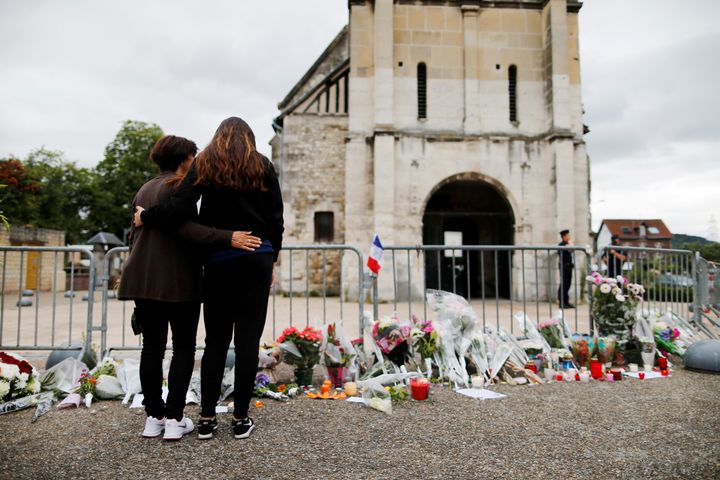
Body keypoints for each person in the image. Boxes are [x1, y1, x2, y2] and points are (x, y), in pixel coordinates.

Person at [134, 117, 283, 441]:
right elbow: (276, 219)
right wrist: (272, 258)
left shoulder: (206, 163)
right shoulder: (263, 165)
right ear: (249, 139)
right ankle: (241, 418)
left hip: (219, 258)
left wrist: (146, 216)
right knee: (247, 342)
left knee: (215, 341)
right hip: (257, 256)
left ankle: (205, 418)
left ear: (218, 138)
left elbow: (178, 208)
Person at [557, 229, 575, 309]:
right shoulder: (561, 245)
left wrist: (570, 243)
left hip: (569, 267)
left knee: (568, 284)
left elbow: (572, 250)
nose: (569, 236)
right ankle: (561, 302)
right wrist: (570, 244)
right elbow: (570, 249)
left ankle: (566, 302)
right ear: (564, 236)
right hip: (564, 267)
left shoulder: (568, 243)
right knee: (563, 284)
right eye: (568, 235)